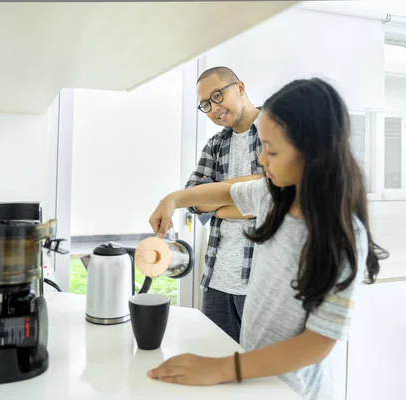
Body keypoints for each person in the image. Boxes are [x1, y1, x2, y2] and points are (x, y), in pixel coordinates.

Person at [146, 78, 388, 399]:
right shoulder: (274, 195)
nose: (262, 160)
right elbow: (224, 190)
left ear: (312, 153)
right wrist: (173, 199)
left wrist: (221, 369)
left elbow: (316, 344)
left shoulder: (341, 237)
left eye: (271, 150)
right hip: (258, 379)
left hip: (294, 390)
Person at [184, 66, 264, 343]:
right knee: (218, 369)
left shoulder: (276, 129)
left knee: (262, 377)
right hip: (216, 280)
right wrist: (249, 194)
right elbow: (192, 198)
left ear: (240, 88)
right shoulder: (215, 144)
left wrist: (217, 203)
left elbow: (276, 194)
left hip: (261, 285)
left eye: (217, 96)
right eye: (205, 104)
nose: (213, 108)